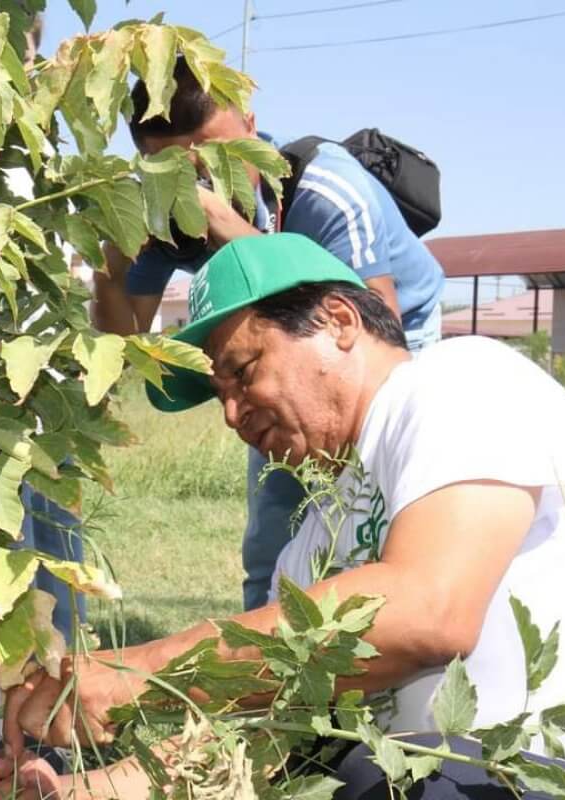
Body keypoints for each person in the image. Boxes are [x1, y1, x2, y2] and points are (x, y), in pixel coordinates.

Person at [0, 233, 565, 799]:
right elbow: (270, 730)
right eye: (219, 397)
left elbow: (430, 610)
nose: (233, 414)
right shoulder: (316, 539)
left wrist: (141, 667)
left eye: (242, 372)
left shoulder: (460, 381)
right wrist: (78, 790)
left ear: (337, 320)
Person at [93, 57, 447, 612]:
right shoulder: (159, 207)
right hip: (280, 339)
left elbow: (377, 332)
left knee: (372, 497)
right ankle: (268, 648)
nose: (200, 181)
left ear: (250, 128)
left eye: (214, 156)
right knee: (276, 520)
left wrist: (230, 230)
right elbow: (122, 349)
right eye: (175, 170)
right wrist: (110, 275)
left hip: (392, 331)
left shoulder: (325, 189)